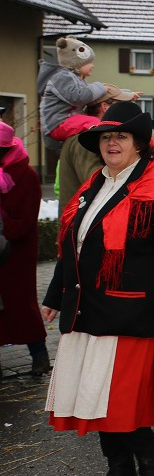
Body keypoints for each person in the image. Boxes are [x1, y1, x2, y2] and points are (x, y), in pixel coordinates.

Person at [40, 102, 154, 476]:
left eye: (121, 137)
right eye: (106, 137)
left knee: (119, 399)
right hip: (87, 309)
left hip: (133, 313)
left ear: (140, 145)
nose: (112, 143)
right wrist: (54, 297)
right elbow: (72, 247)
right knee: (93, 394)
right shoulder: (94, 184)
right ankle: (118, 472)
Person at [0, 122, 50, 375]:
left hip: (16, 255)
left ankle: (39, 356)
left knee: (22, 306)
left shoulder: (26, 176)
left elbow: (24, 223)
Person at [37, 36, 138, 154]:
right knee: (93, 123)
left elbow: (98, 93)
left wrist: (128, 94)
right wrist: (100, 86)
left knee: (92, 122)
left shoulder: (76, 79)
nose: (93, 66)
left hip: (67, 121)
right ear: (76, 64)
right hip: (58, 123)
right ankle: (100, 148)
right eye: (89, 62)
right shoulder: (62, 77)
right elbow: (78, 97)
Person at [54, 97, 113, 210]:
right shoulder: (86, 139)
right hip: (82, 220)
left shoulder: (86, 135)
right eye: (120, 105)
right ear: (104, 107)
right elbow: (96, 184)